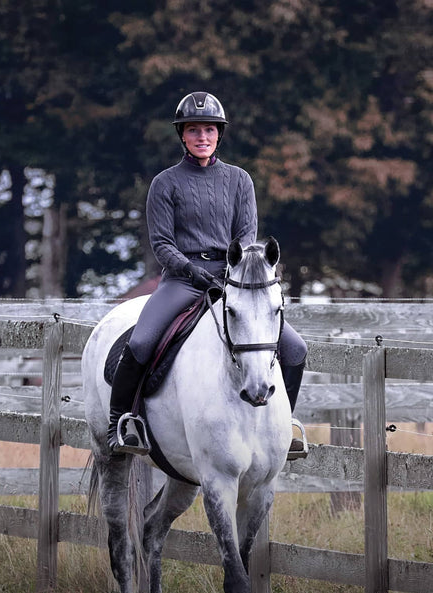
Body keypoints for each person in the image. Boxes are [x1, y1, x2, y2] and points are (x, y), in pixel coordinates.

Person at [107, 91, 308, 459]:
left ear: (219, 134)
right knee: (139, 344)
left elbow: (246, 240)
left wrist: (231, 275)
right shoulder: (164, 184)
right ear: (182, 135)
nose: (203, 137)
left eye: (210, 130)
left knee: (295, 349)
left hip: (231, 280)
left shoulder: (240, 180)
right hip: (182, 279)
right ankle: (122, 423)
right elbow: (162, 245)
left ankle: (285, 425)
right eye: (194, 130)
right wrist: (193, 271)